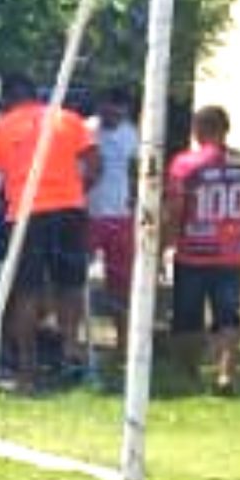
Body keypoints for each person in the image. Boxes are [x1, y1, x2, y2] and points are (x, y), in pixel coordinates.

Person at [0, 70, 95, 385]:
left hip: (26, 216)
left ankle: (26, 368)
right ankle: (70, 352)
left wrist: (5, 207)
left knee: (26, 291)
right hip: (69, 210)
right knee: (70, 285)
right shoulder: (68, 120)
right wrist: (77, 192)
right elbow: (95, 164)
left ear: (12, 100)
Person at [163, 104, 240, 394]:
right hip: (232, 251)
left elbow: (176, 211)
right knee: (229, 316)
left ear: (198, 129)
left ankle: (190, 374)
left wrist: (166, 245)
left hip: (193, 252)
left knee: (187, 317)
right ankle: (225, 375)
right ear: (226, 129)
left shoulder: (186, 164)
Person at [84, 87, 140, 319]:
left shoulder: (131, 134)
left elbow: (136, 169)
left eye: (119, 114)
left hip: (121, 215)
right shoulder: (86, 129)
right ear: (100, 107)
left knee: (122, 279)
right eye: (108, 112)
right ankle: (72, 338)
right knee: (77, 275)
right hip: (89, 213)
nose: (113, 118)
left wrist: (135, 199)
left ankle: (123, 339)